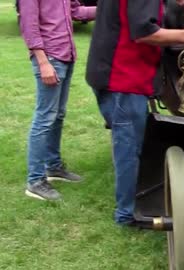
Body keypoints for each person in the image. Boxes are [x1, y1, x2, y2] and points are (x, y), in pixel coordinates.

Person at [86, 0, 184, 225]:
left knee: (127, 139)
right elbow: (144, 32)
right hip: (123, 77)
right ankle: (127, 214)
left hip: (106, 70)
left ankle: (131, 203)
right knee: (129, 146)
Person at [19, 0, 96, 201]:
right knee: (44, 118)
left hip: (66, 55)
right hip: (50, 58)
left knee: (58, 115)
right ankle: (35, 181)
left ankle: (53, 166)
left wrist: (109, 7)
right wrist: (43, 62)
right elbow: (29, 25)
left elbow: (77, 11)